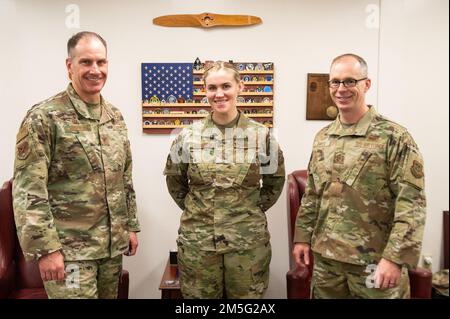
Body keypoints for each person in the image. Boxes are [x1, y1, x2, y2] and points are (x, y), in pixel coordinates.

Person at [12, 31, 140, 299]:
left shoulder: (114, 116)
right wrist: (46, 250)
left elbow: (124, 177)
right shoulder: (44, 117)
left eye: (101, 62)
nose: (96, 70)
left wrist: (130, 226)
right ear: (69, 65)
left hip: (110, 249)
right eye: (86, 62)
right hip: (69, 253)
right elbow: (28, 190)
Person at [292, 53, 426, 299]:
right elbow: (312, 194)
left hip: (375, 261)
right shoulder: (323, 137)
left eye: (350, 81)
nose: (341, 89)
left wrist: (394, 258)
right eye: (335, 82)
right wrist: (302, 238)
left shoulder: (393, 137)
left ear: (366, 84)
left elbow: (411, 203)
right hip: (327, 262)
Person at [164, 61, 285, 299]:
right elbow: (175, 184)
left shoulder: (262, 136)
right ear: (205, 91)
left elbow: (274, 184)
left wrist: (245, 212)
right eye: (212, 88)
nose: (219, 94)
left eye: (226, 86)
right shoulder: (186, 137)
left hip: (246, 245)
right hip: (199, 244)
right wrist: (202, 212)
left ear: (240, 87)